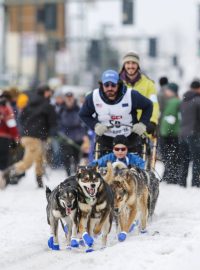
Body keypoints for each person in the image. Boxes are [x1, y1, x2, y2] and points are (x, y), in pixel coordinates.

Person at [79, 69, 153, 157]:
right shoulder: (93, 97)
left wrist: (142, 124)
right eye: (106, 85)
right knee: (103, 167)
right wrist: (95, 125)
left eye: (113, 85)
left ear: (118, 84)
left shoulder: (131, 95)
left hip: (129, 137)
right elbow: (83, 114)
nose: (110, 88)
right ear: (102, 85)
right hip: (106, 139)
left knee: (133, 167)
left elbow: (148, 105)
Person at [0, 84, 57, 189]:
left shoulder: (29, 102)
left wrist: (23, 131)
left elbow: (20, 117)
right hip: (35, 137)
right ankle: (7, 173)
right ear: (45, 92)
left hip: (27, 136)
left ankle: (39, 180)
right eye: (49, 92)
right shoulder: (47, 105)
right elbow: (53, 122)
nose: (51, 94)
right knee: (27, 163)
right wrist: (52, 133)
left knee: (39, 158)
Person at [119, 52, 160, 136]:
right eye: (128, 63)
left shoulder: (149, 84)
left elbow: (154, 104)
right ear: (124, 65)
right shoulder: (116, 83)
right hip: (120, 127)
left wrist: (152, 121)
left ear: (138, 65)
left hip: (142, 128)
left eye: (133, 63)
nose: (130, 66)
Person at [58, 91, 87, 176]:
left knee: (77, 156)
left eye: (71, 97)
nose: (69, 99)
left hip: (77, 136)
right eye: (68, 98)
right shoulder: (61, 109)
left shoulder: (78, 108)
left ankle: (75, 172)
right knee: (66, 156)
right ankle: (68, 173)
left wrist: (83, 134)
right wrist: (61, 132)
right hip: (65, 136)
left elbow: (83, 122)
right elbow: (58, 122)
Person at [179, 80, 200, 187]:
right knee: (197, 160)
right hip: (194, 134)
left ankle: (182, 183)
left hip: (182, 134)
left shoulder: (184, 100)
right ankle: (195, 184)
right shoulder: (197, 100)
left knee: (184, 160)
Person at [159, 83, 181, 184]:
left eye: (168, 90)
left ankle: (170, 177)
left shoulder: (173, 102)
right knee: (172, 156)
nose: (166, 92)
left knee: (169, 156)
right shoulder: (175, 101)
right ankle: (171, 176)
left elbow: (170, 118)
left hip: (169, 134)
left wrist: (165, 132)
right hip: (172, 133)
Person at [0, 90, 20, 182]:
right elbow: (11, 125)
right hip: (4, 138)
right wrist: (16, 136)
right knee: (3, 159)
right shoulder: (7, 109)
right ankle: (2, 179)